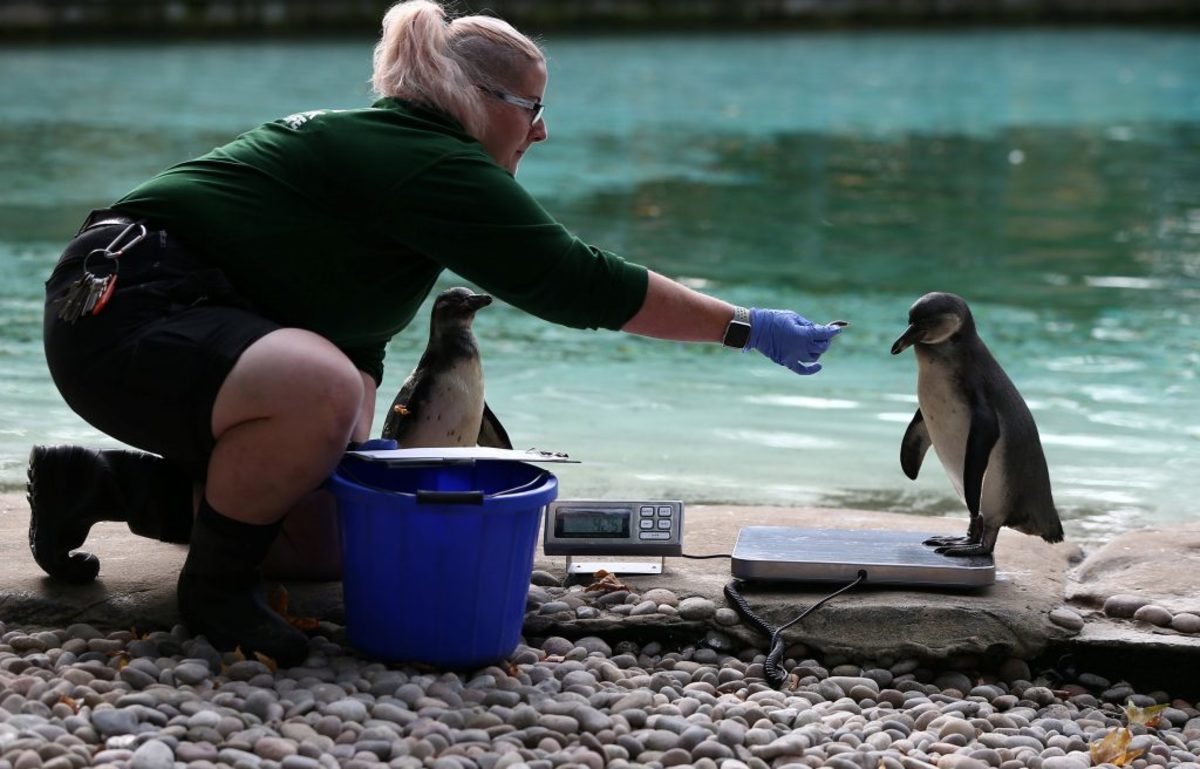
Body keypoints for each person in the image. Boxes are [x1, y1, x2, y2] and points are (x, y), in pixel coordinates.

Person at [32, 0, 843, 666]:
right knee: (321, 395)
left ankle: (104, 487)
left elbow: (346, 330)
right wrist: (743, 326)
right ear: (482, 102)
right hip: (120, 305)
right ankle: (214, 595)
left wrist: (343, 455)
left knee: (335, 527)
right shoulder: (431, 160)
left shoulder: (406, 160)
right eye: (534, 110)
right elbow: (574, 280)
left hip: (160, 321)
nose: (541, 131)